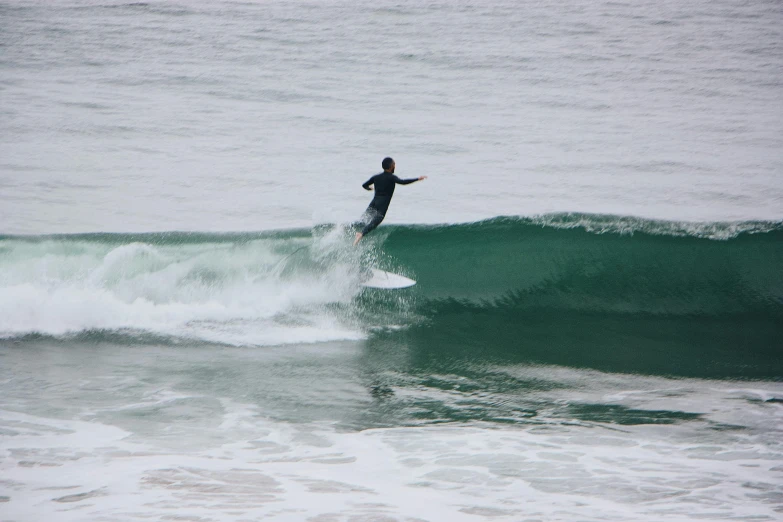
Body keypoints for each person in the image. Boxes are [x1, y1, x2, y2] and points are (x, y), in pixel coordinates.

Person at [353, 157, 427, 245]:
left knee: (365, 218)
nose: (395, 166)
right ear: (391, 166)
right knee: (377, 220)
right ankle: (361, 234)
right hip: (382, 204)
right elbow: (403, 182)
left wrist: (370, 188)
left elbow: (364, 185)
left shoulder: (376, 177)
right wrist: (417, 179)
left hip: (374, 202)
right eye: (394, 164)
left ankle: (352, 229)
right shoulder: (391, 177)